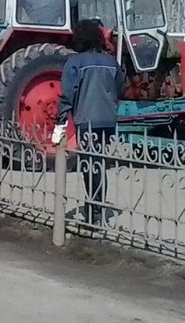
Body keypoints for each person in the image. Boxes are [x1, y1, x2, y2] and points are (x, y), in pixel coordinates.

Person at [51, 19, 126, 225]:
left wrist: (60, 121)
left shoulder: (75, 63)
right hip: (108, 120)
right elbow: (121, 89)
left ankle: (93, 210)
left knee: (89, 164)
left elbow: (68, 93)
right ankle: (97, 208)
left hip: (86, 119)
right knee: (99, 163)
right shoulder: (112, 63)